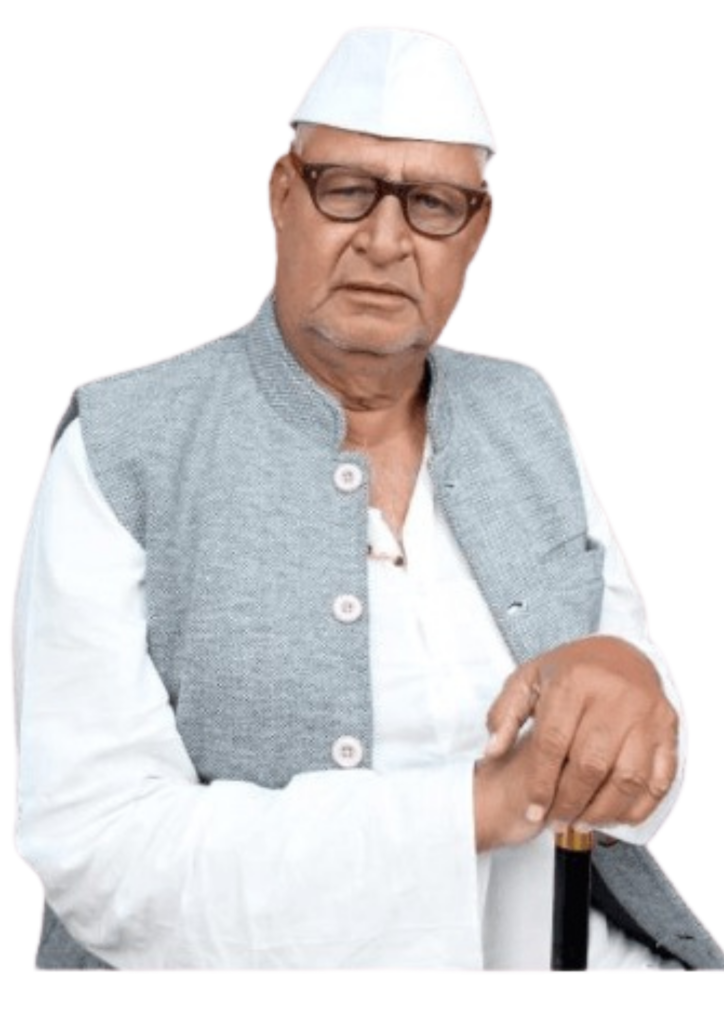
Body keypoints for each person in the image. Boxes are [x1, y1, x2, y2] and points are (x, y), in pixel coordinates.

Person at [11, 24, 723, 974]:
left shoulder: (528, 407)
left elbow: (645, 736)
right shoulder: (123, 442)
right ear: (280, 193)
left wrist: (633, 694)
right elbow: (99, 852)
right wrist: (480, 805)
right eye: (346, 188)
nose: (386, 242)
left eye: (433, 204)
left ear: (478, 230)